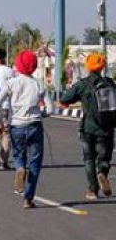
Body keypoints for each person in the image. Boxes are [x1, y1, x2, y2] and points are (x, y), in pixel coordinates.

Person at [0, 50, 53, 209]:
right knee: (35, 162)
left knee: (19, 155)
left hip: (16, 126)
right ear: (34, 66)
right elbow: (50, 109)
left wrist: (1, 121)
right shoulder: (39, 84)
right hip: (35, 126)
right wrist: (40, 114)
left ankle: (20, 168)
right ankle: (28, 198)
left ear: (18, 65)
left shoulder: (12, 83)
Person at [61, 53, 115, 200]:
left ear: (87, 66)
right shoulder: (109, 83)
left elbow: (64, 99)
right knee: (104, 158)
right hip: (106, 127)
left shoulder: (82, 84)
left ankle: (92, 190)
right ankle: (102, 173)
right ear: (102, 66)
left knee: (89, 158)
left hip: (88, 128)